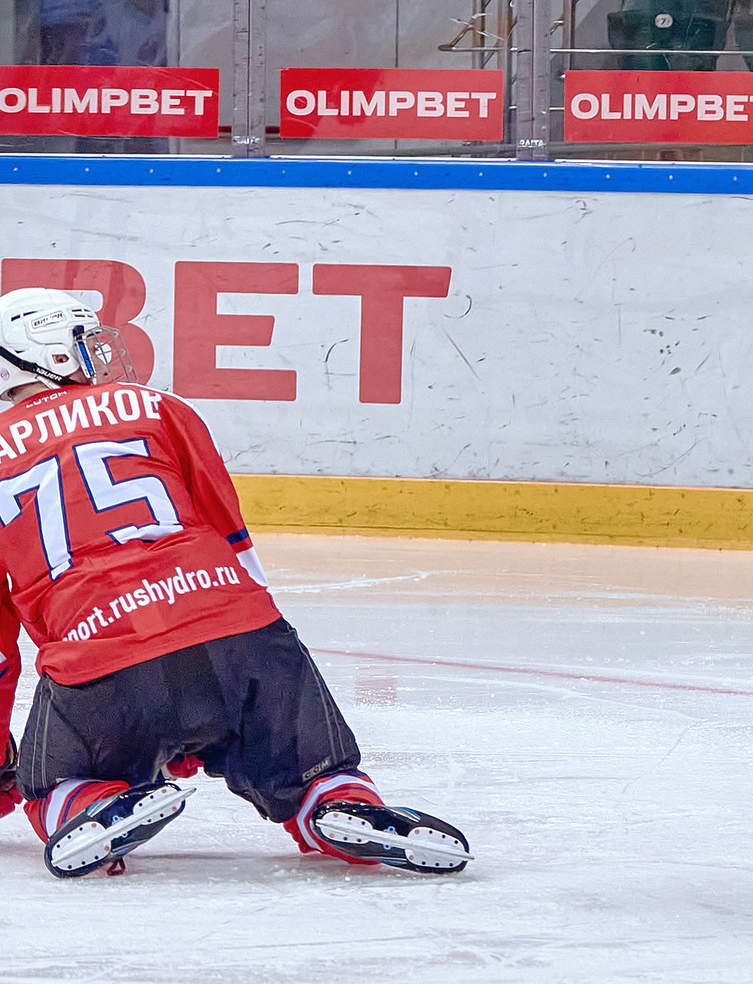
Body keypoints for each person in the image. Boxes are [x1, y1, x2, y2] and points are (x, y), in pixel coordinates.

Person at [0, 289, 469, 879]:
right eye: (83, 343)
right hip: (240, 629)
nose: (99, 353)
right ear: (49, 357)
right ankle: (335, 800)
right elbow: (230, 533)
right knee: (306, 767)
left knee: (55, 784)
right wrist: (247, 656)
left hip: (104, 656)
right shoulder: (157, 407)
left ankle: (91, 803)